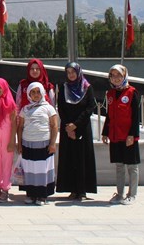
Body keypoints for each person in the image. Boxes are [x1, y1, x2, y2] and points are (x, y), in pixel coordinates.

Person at [56, 61, 98, 200]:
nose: (71, 75)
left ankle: (82, 190)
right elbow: (61, 107)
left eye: (73, 72)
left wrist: (76, 125)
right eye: (68, 72)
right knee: (70, 158)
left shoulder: (87, 87)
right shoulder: (64, 87)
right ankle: (72, 189)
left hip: (82, 128)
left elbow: (90, 107)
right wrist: (68, 126)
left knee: (82, 158)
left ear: (78, 72)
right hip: (67, 128)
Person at [102, 64, 140, 205]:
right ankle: (119, 194)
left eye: (119, 75)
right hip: (115, 135)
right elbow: (109, 115)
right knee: (119, 165)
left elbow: (136, 116)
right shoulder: (110, 94)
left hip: (128, 136)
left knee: (132, 166)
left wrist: (132, 135)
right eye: (113, 75)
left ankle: (132, 194)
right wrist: (105, 132)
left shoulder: (132, 92)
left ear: (124, 76)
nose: (116, 78)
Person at [17, 82, 58, 205]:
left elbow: (54, 126)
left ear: (42, 93)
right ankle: (31, 194)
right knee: (30, 170)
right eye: (33, 92)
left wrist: (52, 144)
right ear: (29, 94)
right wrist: (19, 144)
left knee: (42, 170)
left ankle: (42, 196)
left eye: (38, 92)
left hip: (43, 143)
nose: (35, 95)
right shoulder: (25, 109)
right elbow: (20, 127)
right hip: (28, 143)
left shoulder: (49, 108)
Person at [0, 77, 17, 203]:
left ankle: (5, 189)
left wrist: (12, 141)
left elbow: (14, 124)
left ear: (4, 88)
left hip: (7, 136)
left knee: (7, 162)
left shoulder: (11, 104)